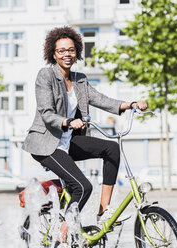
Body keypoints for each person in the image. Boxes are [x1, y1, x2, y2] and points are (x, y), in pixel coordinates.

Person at [22, 26, 147, 245]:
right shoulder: (46, 75)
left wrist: (131, 104)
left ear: (77, 52)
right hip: (45, 143)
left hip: (68, 141)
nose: (66, 54)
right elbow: (46, 111)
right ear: (53, 53)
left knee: (112, 148)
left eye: (70, 50)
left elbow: (101, 99)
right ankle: (64, 229)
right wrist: (67, 121)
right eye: (61, 51)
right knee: (83, 186)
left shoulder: (79, 79)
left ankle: (103, 211)